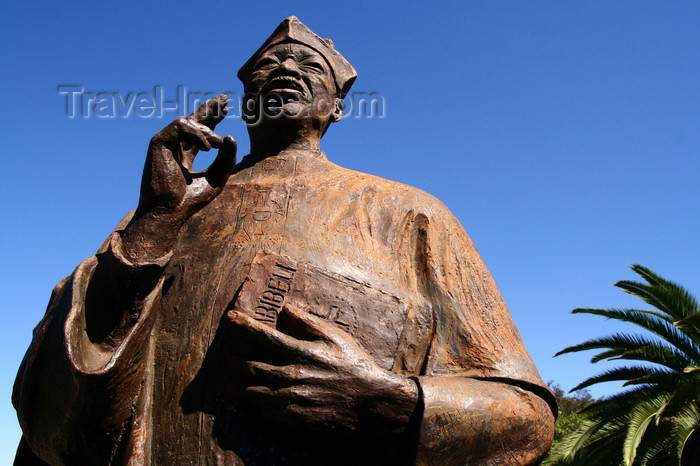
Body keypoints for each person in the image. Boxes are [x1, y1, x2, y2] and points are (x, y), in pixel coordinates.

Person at [13, 16, 555, 465]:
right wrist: (154, 223)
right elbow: (54, 416)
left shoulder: (409, 214)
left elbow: (526, 420)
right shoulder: (167, 212)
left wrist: (386, 403)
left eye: (308, 64)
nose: (287, 68)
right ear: (246, 102)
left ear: (337, 106)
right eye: (268, 65)